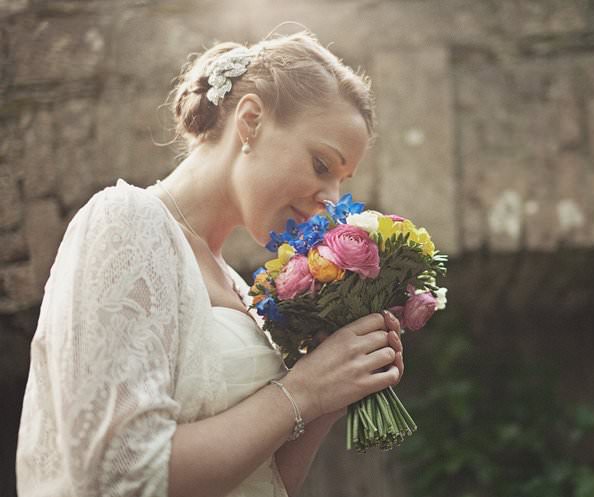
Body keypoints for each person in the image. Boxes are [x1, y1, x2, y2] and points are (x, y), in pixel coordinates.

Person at [16, 30, 405, 497]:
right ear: (251, 121)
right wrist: (303, 391)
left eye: (341, 181)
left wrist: (331, 392)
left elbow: (264, 483)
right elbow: (117, 471)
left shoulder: (243, 289)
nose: (332, 201)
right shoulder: (126, 222)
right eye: (323, 165)